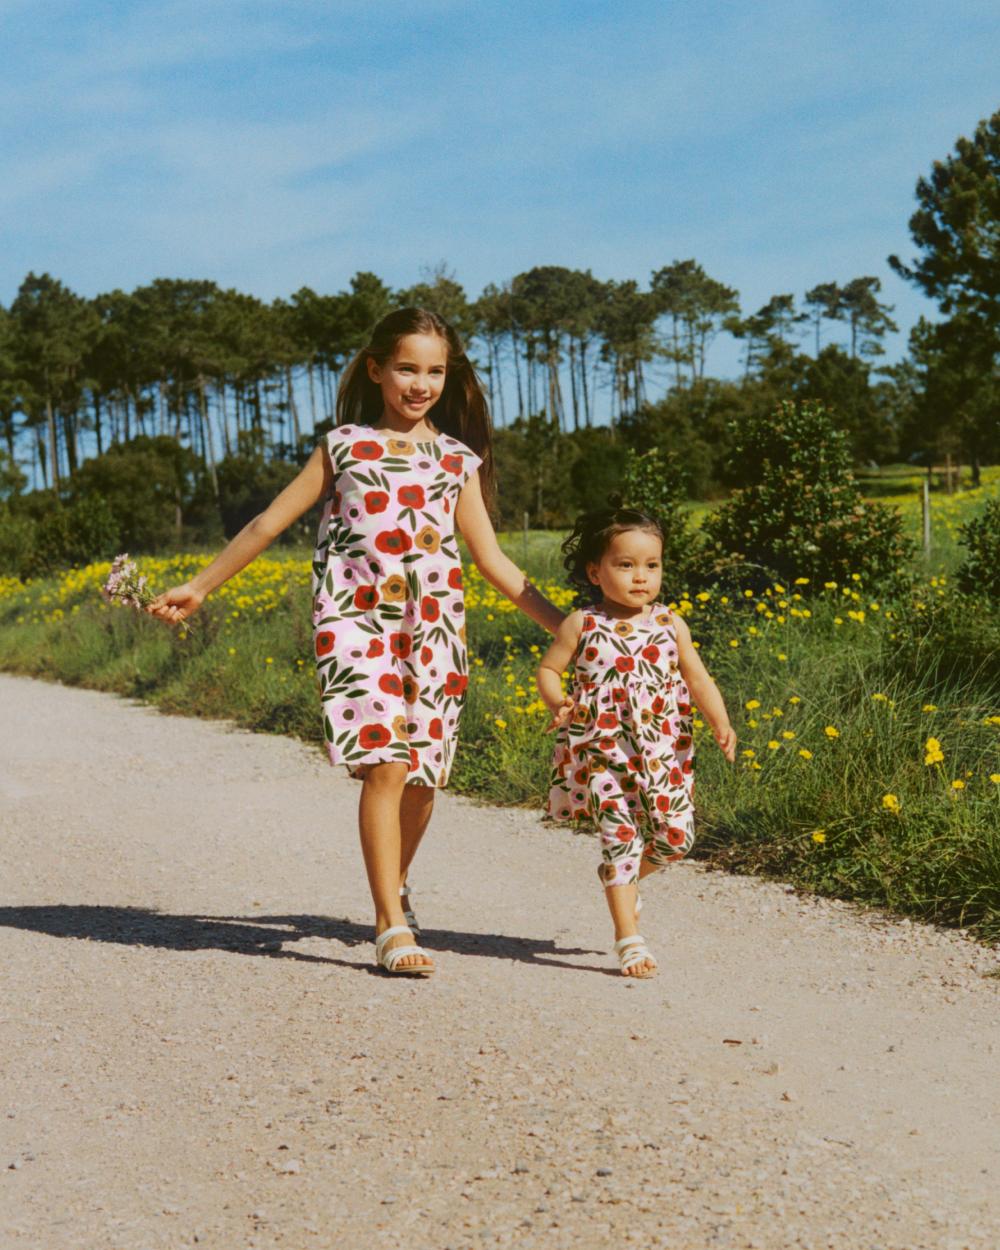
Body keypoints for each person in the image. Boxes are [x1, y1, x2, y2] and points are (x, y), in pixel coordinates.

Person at [149, 307, 564, 976]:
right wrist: (200, 585)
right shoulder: (342, 446)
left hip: (435, 636)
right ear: (376, 370)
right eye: (406, 368)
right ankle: (389, 923)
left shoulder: (456, 460)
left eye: (434, 371)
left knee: (424, 778)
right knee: (387, 766)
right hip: (356, 628)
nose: (420, 383)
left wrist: (569, 626)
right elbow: (265, 523)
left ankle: (394, 883)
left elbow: (494, 562)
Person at [536, 499, 736, 979]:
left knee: (675, 839)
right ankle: (629, 938)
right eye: (625, 565)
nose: (640, 576)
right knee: (621, 840)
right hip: (604, 752)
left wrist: (720, 720)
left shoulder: (670, 623)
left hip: (663, 751)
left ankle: (621, 879)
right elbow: (548, 668)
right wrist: (556, 699)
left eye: (651, 565)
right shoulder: (582, 623)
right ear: (595, 571)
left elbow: (698, 678)